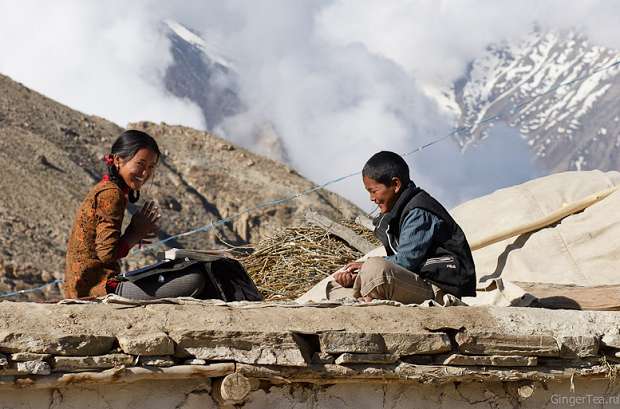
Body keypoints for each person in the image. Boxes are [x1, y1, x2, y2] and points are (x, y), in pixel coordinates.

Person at [64, 130, 206, 299]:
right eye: (140, 164)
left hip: (88, 287)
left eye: (151, 167)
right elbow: (106, 254)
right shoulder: (111, 194)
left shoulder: (109, 189)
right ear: (118, 160)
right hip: (97, 290)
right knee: (193, 279)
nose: (145, 173)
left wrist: (135, 234)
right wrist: (134, 234)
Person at [329, 151, 476, 304]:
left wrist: (364, 268)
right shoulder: (396, 212)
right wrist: (355, 277)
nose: (372, 198)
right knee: (335, 287)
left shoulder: (418, 211)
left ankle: (366, 300)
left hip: (436, 288)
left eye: (374, 191)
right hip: (410, 281)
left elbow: (405, 262)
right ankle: (364, 298)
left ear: (396, 185)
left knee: (374, 269)